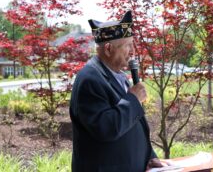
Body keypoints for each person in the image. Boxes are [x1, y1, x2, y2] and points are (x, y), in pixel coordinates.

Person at [70, 11, 166, 172]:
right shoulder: (90, 79)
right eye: (128, 45)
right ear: (108, 49)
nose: (133, 51)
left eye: (133, 44)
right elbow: (106, 128)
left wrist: (149, 156)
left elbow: (132, 124)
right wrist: (133, 99)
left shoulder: (118, 76)